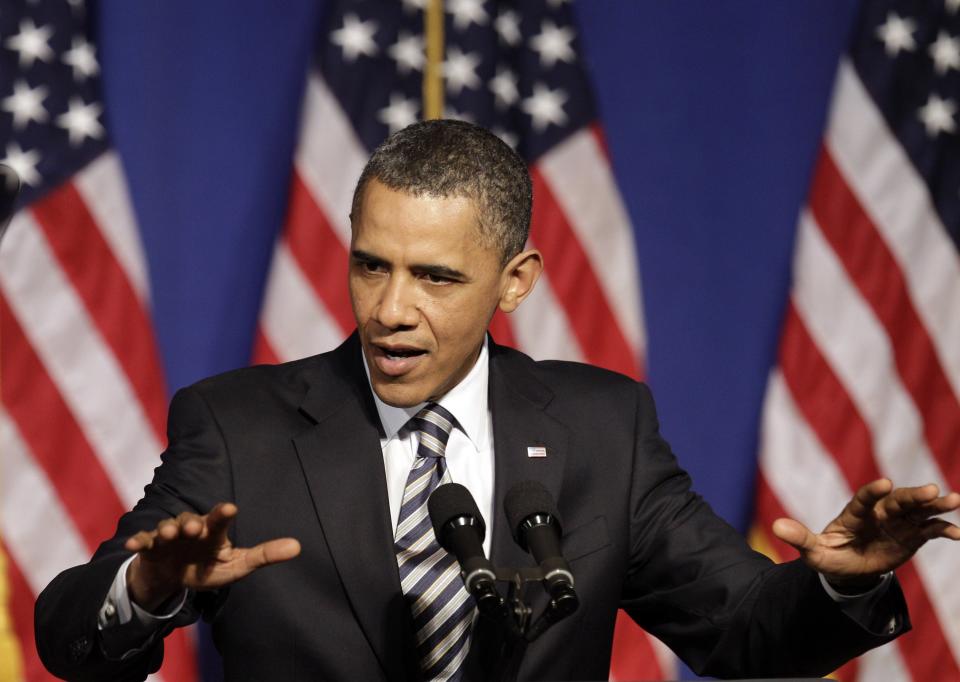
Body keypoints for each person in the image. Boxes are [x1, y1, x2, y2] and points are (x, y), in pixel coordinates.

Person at [36, 119, 959, 681]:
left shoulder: (606, 429)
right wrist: (145, 591)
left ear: (515, 282)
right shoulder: (238, 426)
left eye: (435, 277)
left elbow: (747, 633)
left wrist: (847, 577)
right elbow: (67, 634)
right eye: (370, 266)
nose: (391, 310)